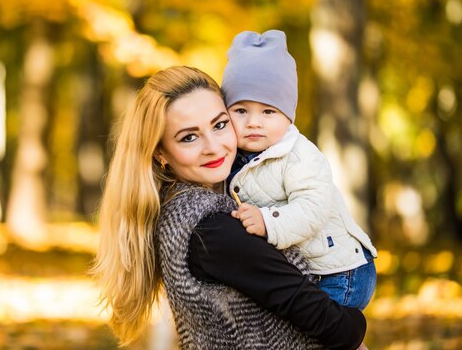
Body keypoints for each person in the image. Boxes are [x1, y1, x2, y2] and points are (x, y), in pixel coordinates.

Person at [92, 65, 367, 350]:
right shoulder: (211, 229)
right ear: (160, 153)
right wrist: (358, 323)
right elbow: (338, 328)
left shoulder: (185, 212)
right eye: (189, 137)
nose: (213, 146)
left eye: (220, 125)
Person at [222, 30, 378, 311]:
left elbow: (314, 207)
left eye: (268, 112)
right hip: (308, 271)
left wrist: (268, 221)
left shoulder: (299, 155)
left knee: (319, 334)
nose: (254, 122)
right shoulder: (235, 156)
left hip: (341, 272)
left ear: (287, 115)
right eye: (241, 110)